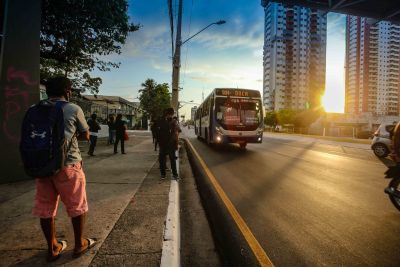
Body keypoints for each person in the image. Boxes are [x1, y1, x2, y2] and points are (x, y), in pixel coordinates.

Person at [31, 76, 96, 262]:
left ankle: (52, 247)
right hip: (68, 164)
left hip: (43, 166)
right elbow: (85, 135)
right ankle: (79, 244)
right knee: (77, 206)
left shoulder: (34, 109)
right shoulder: (73, 108)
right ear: (67, 92)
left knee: (45, 208)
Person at [157, 108, 179, 180]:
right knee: (171, 160)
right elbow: (175, 134)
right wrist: (176, 145)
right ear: (171, 114)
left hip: (164, 144)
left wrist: (159, 142)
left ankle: (164, 174)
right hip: (169, 144)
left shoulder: (161, 121)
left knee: (163, 160)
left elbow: (158, 133)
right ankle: (174, 175)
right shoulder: (174, 122)